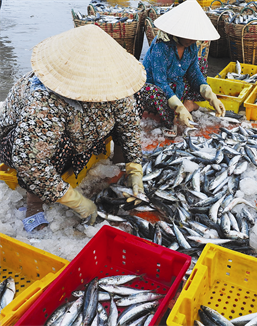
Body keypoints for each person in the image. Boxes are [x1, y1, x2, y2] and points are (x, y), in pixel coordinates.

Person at [0, 25, 147, 230]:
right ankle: (33, 203)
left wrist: (134, 165)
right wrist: (76, 200)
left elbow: (128, 119)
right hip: (21, 144)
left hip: (79, 131)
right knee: (50, 145)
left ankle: (120, 162)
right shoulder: (44, 101)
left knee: (136, 97)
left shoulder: (112, 83)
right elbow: (29, 160)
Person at [134, 0, 226, 139]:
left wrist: (210, 95)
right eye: (189, 35)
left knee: (201, 64)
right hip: (155, 88)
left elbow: (194, 73)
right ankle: (175, 114)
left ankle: (187, 103)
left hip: (176, 85)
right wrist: (178, 106)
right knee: (154, 92)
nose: (193, 40)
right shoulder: (161, 46)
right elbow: (160, 82)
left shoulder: (191, 46)